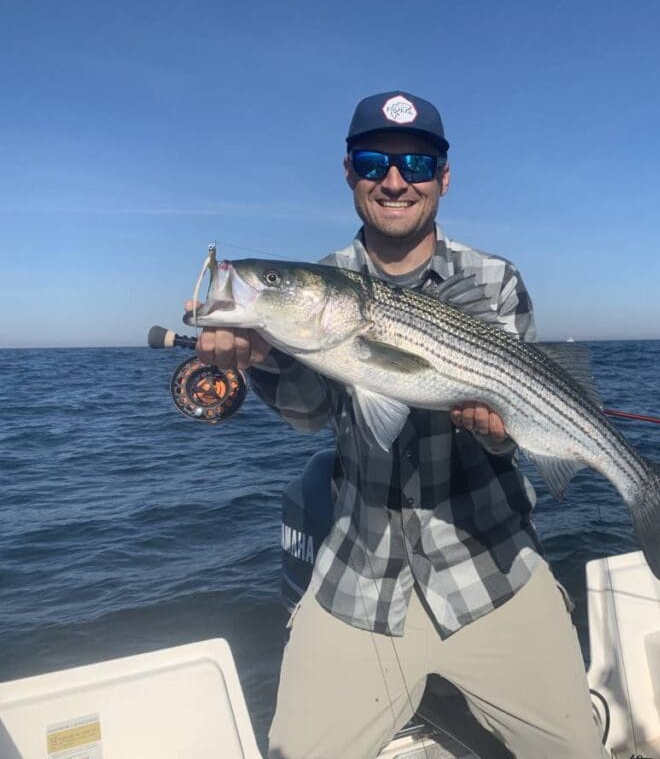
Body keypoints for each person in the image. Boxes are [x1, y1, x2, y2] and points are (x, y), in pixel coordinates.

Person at [191, 91, 607, 758]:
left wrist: (494, 427)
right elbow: (312, 414)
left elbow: (513, 428)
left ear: (442, 178)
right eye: (372, 161)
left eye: (415, 162)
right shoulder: (326, 282)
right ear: (351, 174)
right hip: (361, 574)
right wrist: (262, 358)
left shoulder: (494, 279)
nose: (394, 180)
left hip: (491, 566)